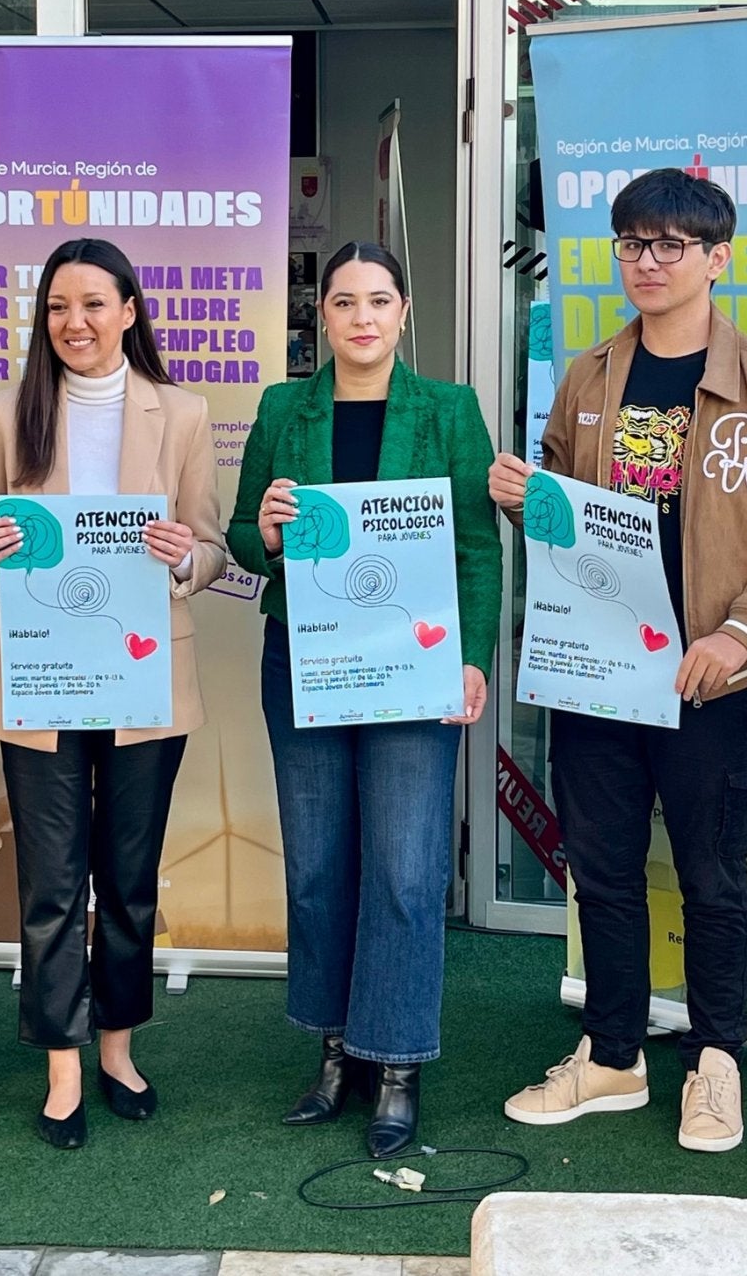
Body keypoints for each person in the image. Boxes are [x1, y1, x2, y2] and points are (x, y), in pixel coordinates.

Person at [489, 168, 747, 1153]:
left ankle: (715, 1061)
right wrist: (526, 494)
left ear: (717, 259)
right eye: (633, 243)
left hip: (711, 681)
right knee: (602, 871)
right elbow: (569, 525)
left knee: (714, 874)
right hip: (599, 674)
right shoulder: (590, 376)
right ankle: (611, 1055)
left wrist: (739, 632)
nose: (647, 261)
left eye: (670, 245)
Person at [229, 240, 501, 1158]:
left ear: (404, 309)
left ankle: (396, 1065)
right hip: (305, 660)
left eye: (378, 300)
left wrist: (471, 657)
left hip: (415, 664)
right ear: (324, 316)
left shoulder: (449, 411)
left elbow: (475, 546)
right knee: (316, 864)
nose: (360, 318)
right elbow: (239, 534)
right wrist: (263, 532)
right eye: (343, 302)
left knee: (405, 866)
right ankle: (336, 1051)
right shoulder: (282, 407)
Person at [0, 238, 225, 1150]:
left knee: (127, 880)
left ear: (129, 311)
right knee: (50, 885)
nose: (74, 323)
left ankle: (117, 1046)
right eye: (57, 307)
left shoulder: (184, 414)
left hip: (144, 677)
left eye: (92, 304)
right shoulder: (7, 413)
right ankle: (62, 1061)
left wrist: (185, 557)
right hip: (40, 675)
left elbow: (214, 546)